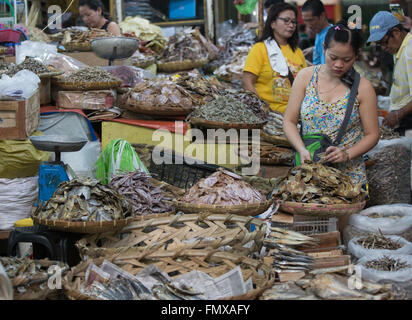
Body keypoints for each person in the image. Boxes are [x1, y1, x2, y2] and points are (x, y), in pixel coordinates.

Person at [283, 22, 379, 187]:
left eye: (347, 59)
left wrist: (347, 154)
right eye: (333, 57)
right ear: (323, 48)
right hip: (309, 175)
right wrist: (301, 149)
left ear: (356, 55)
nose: (339, 65)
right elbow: (289, 121)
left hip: (349, 179)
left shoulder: (363, 88)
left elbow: (372, 134)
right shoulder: (305, 77)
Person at [243, 2, 307, 113]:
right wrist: (261, 109)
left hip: (296, 115)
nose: (291, 25)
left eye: (293, 22)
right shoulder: (259, 49)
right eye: (286, 20)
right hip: (270, 116)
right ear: (273, 23)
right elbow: (247, 82)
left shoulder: (298, 52)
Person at [367, 11, 412, 135]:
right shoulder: (399, 48)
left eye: (383, 42)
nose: (383, 48)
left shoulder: (409, 52)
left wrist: (399, 114)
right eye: (379, 44)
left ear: (396, 33)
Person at [301, 0, 332, 65]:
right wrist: (314, 49)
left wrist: (304, 63)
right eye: (305, 21)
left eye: (310, 20)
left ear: (322, 16)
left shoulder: (329, 36)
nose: (308, 25)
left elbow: (326, 70)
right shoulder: (322, 33)